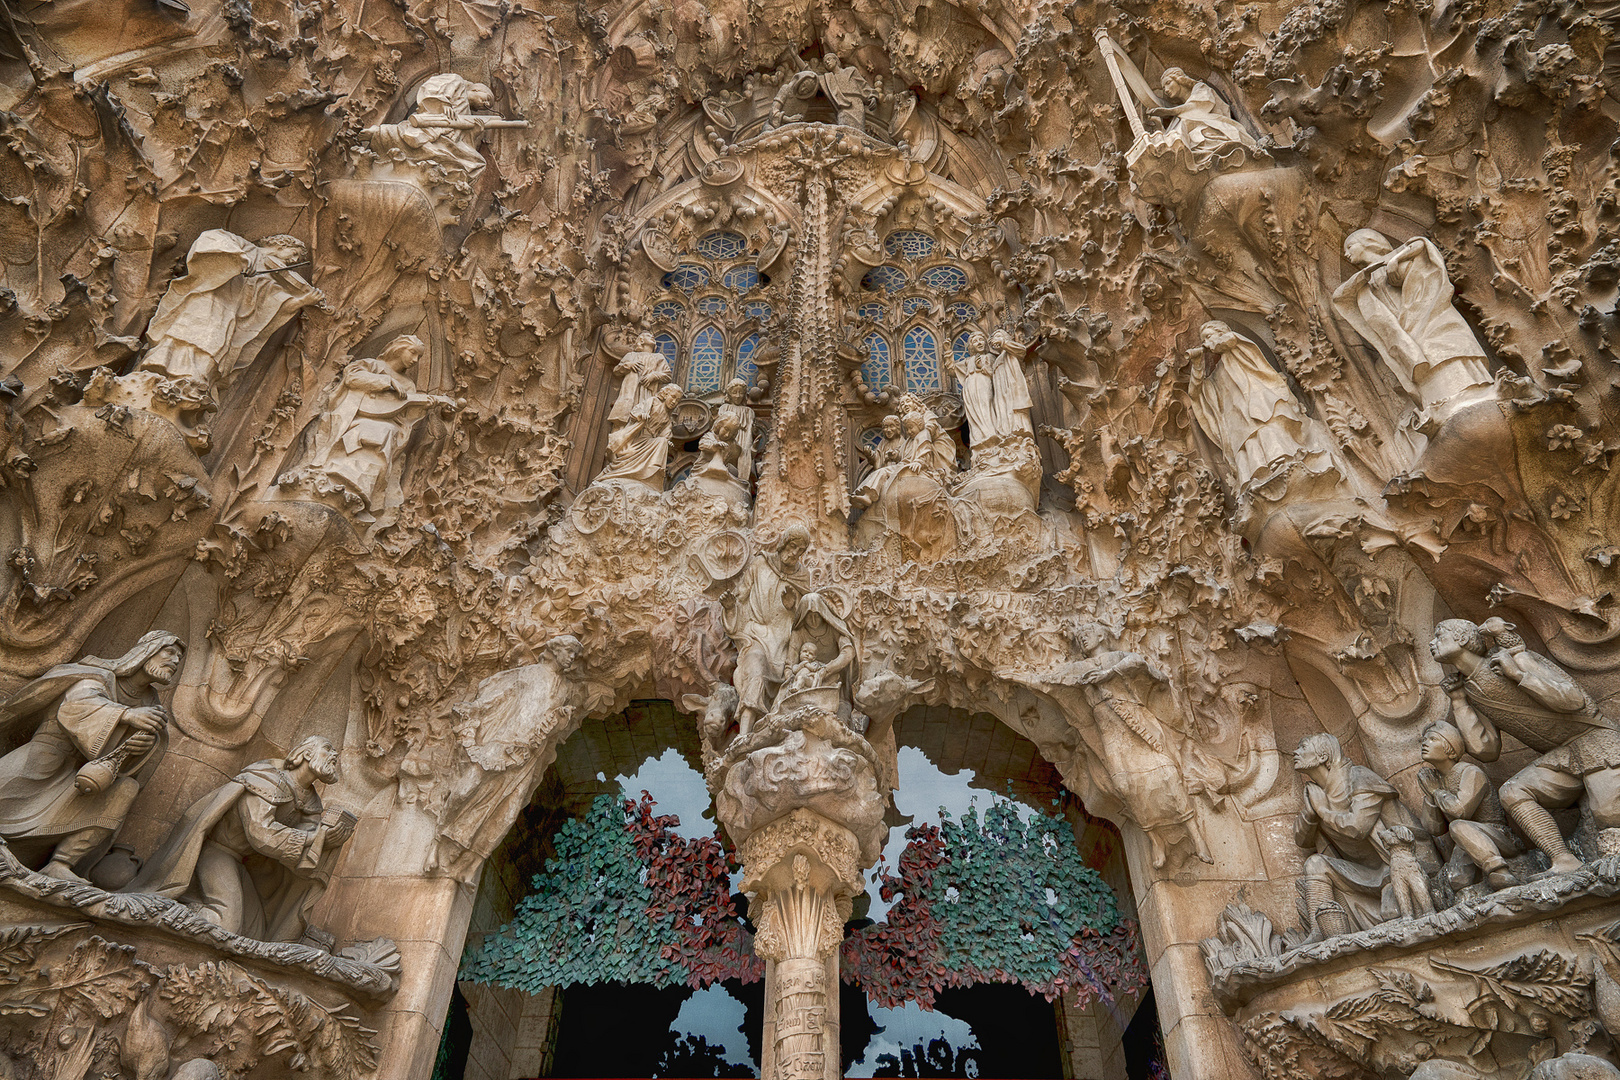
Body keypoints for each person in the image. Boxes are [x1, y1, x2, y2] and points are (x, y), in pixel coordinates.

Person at [1430, 617, 1620, 876]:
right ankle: (1563, 860)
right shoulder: (1471, 688)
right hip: (1562, 756)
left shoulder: (1514, 656)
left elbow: (1573, 700)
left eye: (1439, 635)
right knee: (1512, 792)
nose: (1432, 643)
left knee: (1608, 814)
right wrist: (1459, 702)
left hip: (1596, 742)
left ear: (1462, 639)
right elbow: (1487, 750)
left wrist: (1518, 674)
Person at [126, 736, 353, 943]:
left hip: (240, 863)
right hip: (217, 852)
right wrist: (313, 837)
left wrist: (328, 839)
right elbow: (260, 834)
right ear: (306, 753)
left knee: (254, 934)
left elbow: (309, 841)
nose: (334, 756)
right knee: (227, 923)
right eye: (327, 749)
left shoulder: (310, 800)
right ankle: (171, 909)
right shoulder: (268, 779)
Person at [0, 632, 184, 881]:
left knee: (125, 789)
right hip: (47, 757)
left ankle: (61, 863)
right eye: (170, 652)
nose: (175, 661)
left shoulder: (150, 701)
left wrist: (138, 747)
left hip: (84, 776)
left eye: (180, 658)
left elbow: (124, 760)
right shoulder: (100, 674)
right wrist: (127, 716)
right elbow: (78, 705)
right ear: (148, 650)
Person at [1332, 230, 1494, 426]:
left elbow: (1421, 244)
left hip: (1433, 318)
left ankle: (1472, 394)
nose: (1347, 255)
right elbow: (1340, 297)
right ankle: (1441, 408)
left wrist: (1395, 259)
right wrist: (1367, 273)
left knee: (1449, 356)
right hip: (1409, 333)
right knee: (1427, 367)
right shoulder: (1365, 281)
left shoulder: (1401, 255)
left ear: (1368, 242)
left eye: (1350, 247)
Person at [280, 334, 455, 513]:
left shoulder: (408, 385)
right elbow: (351, 378)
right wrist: (387, 382)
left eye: (419, 357)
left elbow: (403, 414)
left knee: (387, 432)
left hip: (387, 425)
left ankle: (360, 487)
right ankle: (336, 474)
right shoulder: (373, 365)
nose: (415, 360)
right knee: (369, 430)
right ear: (398, 349)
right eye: (412, 353)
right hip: (354, 415)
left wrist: (429, 404)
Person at [137, 231, 321, 395]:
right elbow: (209, 240)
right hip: (207, 299)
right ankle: (160, 373)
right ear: (280, 245)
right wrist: (237, 258)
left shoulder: (269, 276)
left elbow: (273, 306)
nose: (295, 261)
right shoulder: (240, 244)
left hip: (229, 314)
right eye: (294, 253)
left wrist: (303, 301)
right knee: (188, 333)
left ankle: (195, 384)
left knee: (215, 345)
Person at [1293, 733, 1436, 939]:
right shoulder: (1315, 792)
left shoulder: (1359, 777)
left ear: (1323, 756)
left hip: (1401, 865)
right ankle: (1319, 931)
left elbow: (1357, 827)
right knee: (1314, 864)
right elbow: (1302, 841)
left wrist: (1323, 812)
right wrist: (1309, 814)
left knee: (1392, 912)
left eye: (1303, 746)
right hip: (1367, 874)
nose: (1296, 752)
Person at [1186, 321, 1331, 488]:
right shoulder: (1216, 374)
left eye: (1208, 337)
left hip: (1259, 405)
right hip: (1238, 420)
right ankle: (1255, 481)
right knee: (1248, 445)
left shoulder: (1237, 346)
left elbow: (1228, 340)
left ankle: (1286, 463)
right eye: (1203, 340)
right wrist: (1197, 365)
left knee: (1268, 431)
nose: (1205, 343)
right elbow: (1196, 392)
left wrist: (1211, 343)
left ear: (1221, 332)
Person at [721, 527, 812, 735]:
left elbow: (807, 617)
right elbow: (741, 597)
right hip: (756, 637)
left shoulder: (802, 575)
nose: (794, 554)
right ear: (783, 544)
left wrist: (793, 605)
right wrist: (729, 607)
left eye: (800, 551)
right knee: (756, 671)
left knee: (790, 683)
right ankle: (744, 734)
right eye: (792, 547)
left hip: (784, 644)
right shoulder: (761, 564)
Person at [1415, 720, 1522, 891]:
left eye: (1432, 739)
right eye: (1424, 741)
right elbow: (1433, 829)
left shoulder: (1470, 772)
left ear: (1450, 748)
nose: (1425, 744)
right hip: (1465, 839)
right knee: (1457, 880)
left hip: (1497, 835)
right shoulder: (1436, 781)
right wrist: (1429, 795)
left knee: (1457, 826)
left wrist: (1436, 792)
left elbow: (1460, 811)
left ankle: (1499, 871)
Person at [1146, 68, 1258, 168]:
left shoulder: (1200, 87)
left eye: (1168, 83)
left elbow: (1198, 107)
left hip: (1215, 124)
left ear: (1179, 79)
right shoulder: (1180, 115)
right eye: (1163, 87)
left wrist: (1169, 111)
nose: (1165, 89)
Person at [597, 383, 682, 489]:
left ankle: (649, 473)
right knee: (629, 455)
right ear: (665, 394)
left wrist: (666, 440)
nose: (674, 402)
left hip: (650, 440)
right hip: (637, 437)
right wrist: (641, 414)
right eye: (673, 397)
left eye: (677, 400)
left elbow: (665, 433)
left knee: (662, 443)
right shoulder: (653, 402)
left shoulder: (668, 418)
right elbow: (636, 411)